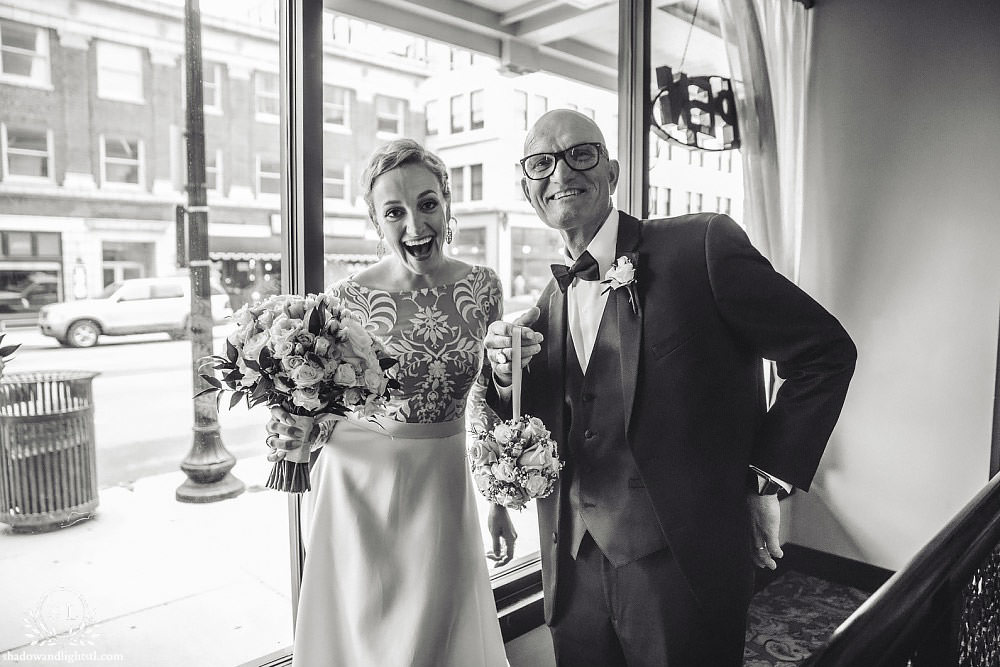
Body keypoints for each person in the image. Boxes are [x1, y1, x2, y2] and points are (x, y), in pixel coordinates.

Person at [483, 109, 857, 666]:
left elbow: (825, 352)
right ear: (527, 189)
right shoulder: (543, 307)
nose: (561, 172)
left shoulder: (700, 246)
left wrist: (765, 480)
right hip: (573, 565)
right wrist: (502, 376)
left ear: (611, 172)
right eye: (542, 163)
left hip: (684, 561)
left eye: (580, 154)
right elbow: (546, 419)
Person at [265, 138, 508, 667]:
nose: (416, 227)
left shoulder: (485, 288)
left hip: (443, 484)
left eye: (427, 204)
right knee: (369, 643)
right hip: (361, 490)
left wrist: (497, 501)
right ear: (376, 221)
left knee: (438, 637)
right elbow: (323, 409)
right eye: (395, 212)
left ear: (447, 203)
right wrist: (299, 434)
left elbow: (487, 400)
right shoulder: (344, 299)